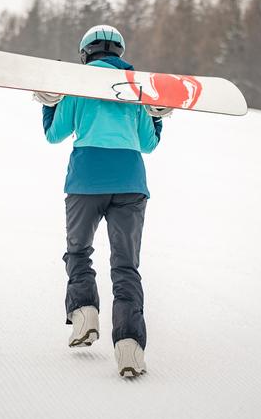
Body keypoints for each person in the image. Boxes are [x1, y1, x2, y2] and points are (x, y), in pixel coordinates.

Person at [34, 25, 171, 378]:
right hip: (130, 181)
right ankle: (130, 347)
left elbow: (55, 134)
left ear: (85, 54)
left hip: (86, 180)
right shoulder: (135, 88)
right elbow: (148, 144)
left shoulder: (77, 83)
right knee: (126, 267)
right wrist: (157, 117)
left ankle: (84, 314)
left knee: (79, 251)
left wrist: (49, 105)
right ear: (119, 53)